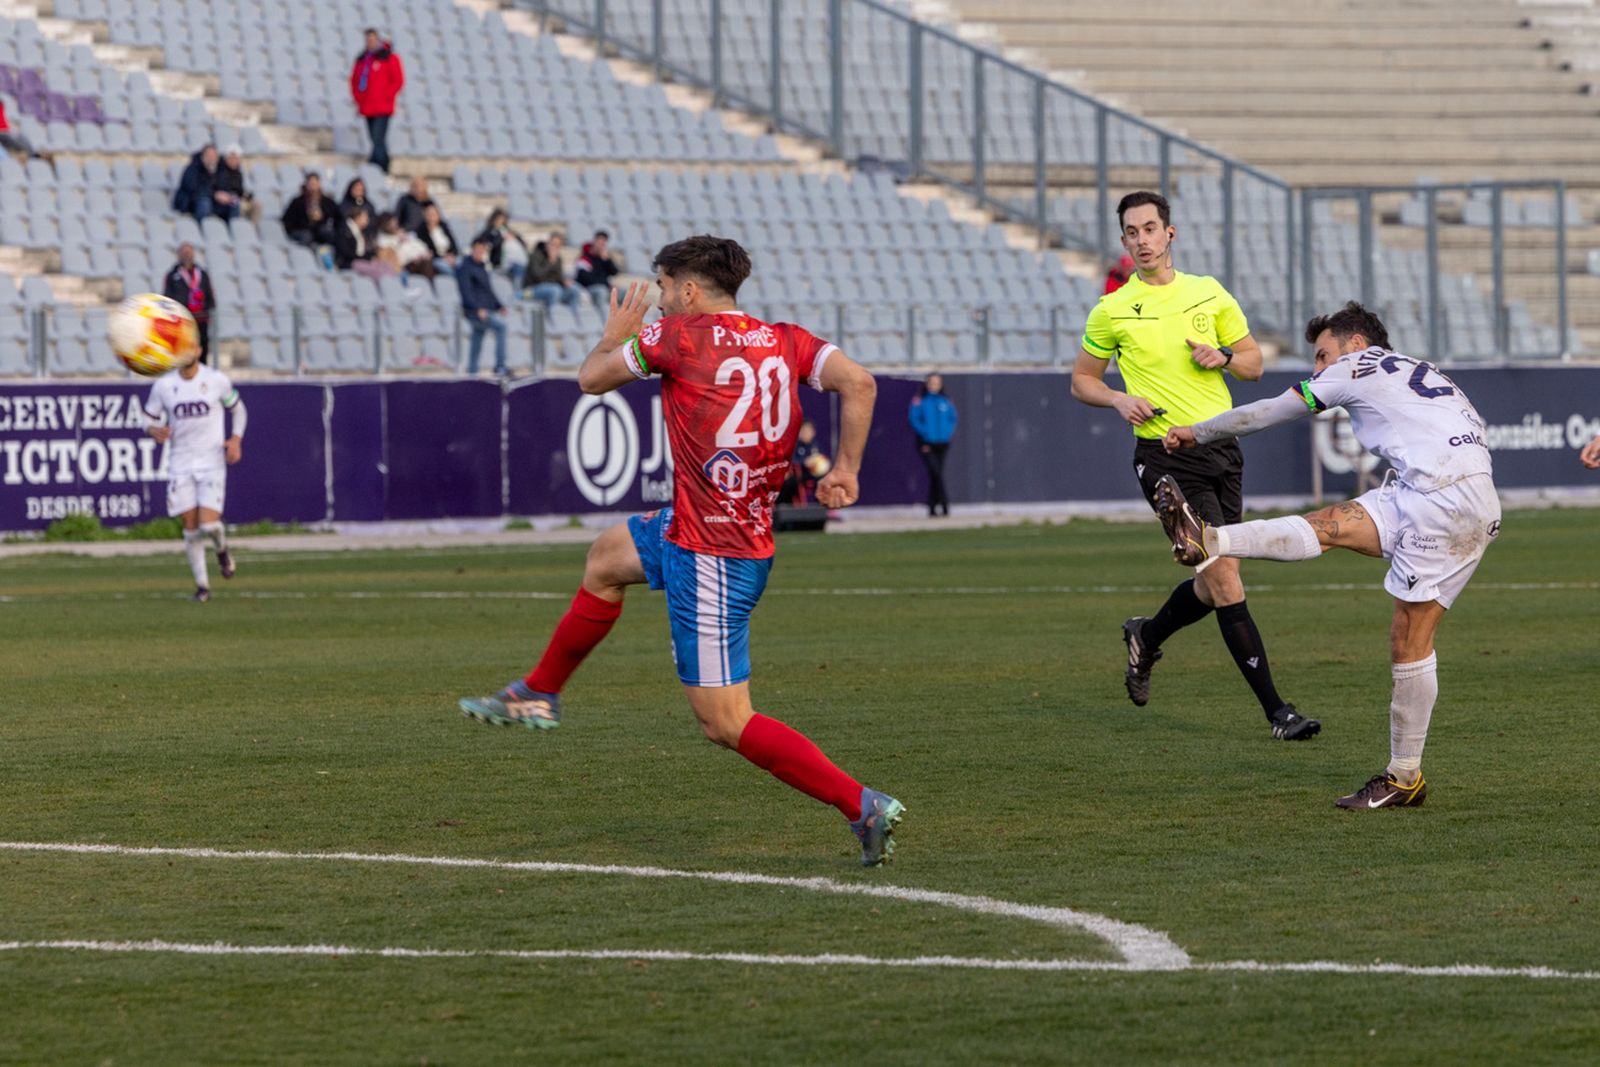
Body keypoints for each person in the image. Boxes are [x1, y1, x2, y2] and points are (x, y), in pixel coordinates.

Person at [458, 236, 904, 867]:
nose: (660, 301)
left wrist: (616, 333)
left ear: (689, 292)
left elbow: (591, 379)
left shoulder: (676, 338)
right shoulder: (787, 340)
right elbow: (860, 384)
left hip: (716, 556)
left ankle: (862, 805)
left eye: (663, 288)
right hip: (699, 529)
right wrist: (847, 470)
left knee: (725, 722)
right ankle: (538, 692)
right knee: (607, 558)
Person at [1159, 301, 1500, 809]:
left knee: (1409, 637)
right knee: (1331, 525)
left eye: (1322, 355)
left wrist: (1198, 431)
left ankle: (1404, 777)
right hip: (1429, 489)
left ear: (1355, 344)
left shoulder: (1354, 367)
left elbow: (1270, 411)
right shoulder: (1418, 368)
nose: (1319, 369)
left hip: (1445, 500)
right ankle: (1210, 540)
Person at [1071, 190, 1312, 741]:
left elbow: (1252, 365)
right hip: (1163, 454)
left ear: (1170, 233)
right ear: (1124, 241)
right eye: (1131, 232)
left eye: (1150, 229)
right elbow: (1082, 380)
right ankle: (1279, 713)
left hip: (1221, 450)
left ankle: (1146, 636)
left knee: (1213, 582)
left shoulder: (1209, 294)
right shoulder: (1112, 310)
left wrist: (1224, 357)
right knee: (1223, 576)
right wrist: (1117, 399)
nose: (1142, 240)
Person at [143, 349, 246, 602]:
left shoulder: (216, 380)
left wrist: (235, 439)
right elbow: (146, 418)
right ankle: (203, 587)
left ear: (199, 351)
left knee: (208, 524)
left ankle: (221, 549)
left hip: (211, 460)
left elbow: (239, 409)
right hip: (180, 462)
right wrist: (152, 430)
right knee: (190, 527)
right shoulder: (164, 386)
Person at [350, 28, 404, 173]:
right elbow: (355, 81)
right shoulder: (363, 60)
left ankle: (378, 165)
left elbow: (398, 80)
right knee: (374, 138)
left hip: (383, 106)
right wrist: (359, 98)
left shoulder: (389, 58)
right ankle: (380, 163)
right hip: (368, 106)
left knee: (378, 137)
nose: (370, 42)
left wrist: (387, 95)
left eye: (373, 39)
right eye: (368, 40)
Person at [456, 236, 508, 375]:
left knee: (477, 339)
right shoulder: (465, 268)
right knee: (501, 327)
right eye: (478, 249)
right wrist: (476, 309)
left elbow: (488, 290)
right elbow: (466, 292)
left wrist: (499, 306)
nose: (480, 252)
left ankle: (472, 372)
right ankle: (500, 367)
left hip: (486, 309)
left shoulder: (482, 267)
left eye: (483, 250)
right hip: (476, 311)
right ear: (473, 249)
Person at [908, 372, 957, 517]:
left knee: (937, 475)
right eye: (932, 383)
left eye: (937, 383)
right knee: (936, 473)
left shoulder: (946, 400)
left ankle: (932, 507)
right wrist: (925, 434)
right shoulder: (920, 400)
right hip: (926, 443)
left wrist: (946, 434)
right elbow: (914, 419)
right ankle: (944, 503)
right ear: (927, 384)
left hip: (942, 443)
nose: (934, 386)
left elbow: (952, 419)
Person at [161, 243, 216, 365]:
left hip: (200, 319)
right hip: (181, 321)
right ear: (179, 255)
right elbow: (167, 297)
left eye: (189, 253)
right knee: (182, 350)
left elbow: (209, 293)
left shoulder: (202, 273)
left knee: (201, 348)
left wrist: (208, 308)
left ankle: (202, 371)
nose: (187, 255)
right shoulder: (172, 275)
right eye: (184, 253)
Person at [281, 172, 340, 249]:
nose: (313, 186)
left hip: (320, 229)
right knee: (307, 236)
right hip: (302, 230)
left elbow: (338, 216)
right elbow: (287, 219)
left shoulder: (327, 201)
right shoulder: (297, 201)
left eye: (315, 183)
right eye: (311, 183)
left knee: (330, 235)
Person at [474, 208, 529, 290]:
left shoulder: (509, 231)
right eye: (498, 219)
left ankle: (520, 293)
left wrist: (514, 237)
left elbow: (523, 244)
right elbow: (480, 243)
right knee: (518, 269)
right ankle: (517, 294)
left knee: (524, 268)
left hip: (516, 261)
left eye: (503, 219)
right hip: (500, 264)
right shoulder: (489, 232)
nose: (500, 222)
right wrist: (501, 238)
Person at [525, 231, 582, 310]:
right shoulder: (536, 255)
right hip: (533, 288)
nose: (553, 247)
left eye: (557, 246)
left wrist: (564, 282)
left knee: (575, 289)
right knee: (555, 290)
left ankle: (573, 316)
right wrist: (550, 262)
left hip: (553, 286)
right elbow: (537, 275)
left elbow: (557, 277)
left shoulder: (558, 259)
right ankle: (553, 318)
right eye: (552, 244)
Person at [375, 210, 437, 281]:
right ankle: (430, 287)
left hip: (421, 259)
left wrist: (424, 254)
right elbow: (395, 258)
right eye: (392, 223)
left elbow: (420, 245)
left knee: (434, 264)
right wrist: (399, 240)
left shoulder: (405, 234)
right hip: (407, 265)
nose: (395, 225)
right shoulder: (383, 240)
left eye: (395, 222)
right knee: (427, 264)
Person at [171, 144, 226, 222]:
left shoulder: (220, 169)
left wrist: (227, 196)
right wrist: (214, 194)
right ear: (203, 156)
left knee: (233, 203)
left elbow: (224, 185)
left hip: (212, 200)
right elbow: (193, 189)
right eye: (209, 155)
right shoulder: (192, 169)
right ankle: (200, 227)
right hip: (190, 202)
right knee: (205, 203)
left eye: (214, 156)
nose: (212, 158)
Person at [335, 205, 390, 278]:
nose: (367, 220)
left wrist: (371, 256)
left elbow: (363, 251)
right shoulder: (344, 230)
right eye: (365, 217)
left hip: (361, 259)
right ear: (357, 218)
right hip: (349, 262)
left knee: (386, 268)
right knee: (378, 272)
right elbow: (346, 252)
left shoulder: (360, 231)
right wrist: (366, 257)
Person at [575, 230, 621, 308]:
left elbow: (614, 272)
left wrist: (607, 260)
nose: (601, 245)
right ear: (594, 241)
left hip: (604, 286)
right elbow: (585, 279)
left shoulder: (604, 258)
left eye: (604, 243)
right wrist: (607, 285)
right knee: (601, 291)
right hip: (588, 288)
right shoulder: (584, 259)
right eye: (599, 242)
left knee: (625, 293)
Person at [215, 145, 259, 225]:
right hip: (226, 199)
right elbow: (219, 188)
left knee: (257, 205)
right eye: (232, 158)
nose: (234, 161)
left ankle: (251, 229)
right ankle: (234, 228)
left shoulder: (238, 174)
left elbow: (239, 190)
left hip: (237, 198)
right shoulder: (220, 171)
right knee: (235, 202)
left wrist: (246, 195)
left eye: (236, 158)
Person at [0, 99, 53, 163]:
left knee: (22, 136)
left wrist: (11, 129)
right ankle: (20, 154)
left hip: (5, 130)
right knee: (8, 137)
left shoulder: (1, 107)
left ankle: (32, 155)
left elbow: (4, 122)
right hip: (2, 133)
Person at [415, 202, 459, 275]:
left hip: (450, 257)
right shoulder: (421, 231)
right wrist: (444, 258)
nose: (432, 216)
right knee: (446, 268)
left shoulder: (444, 227)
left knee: (464, 264)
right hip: (436, 260)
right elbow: (427, 250)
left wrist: (452, 256)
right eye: (429, 214)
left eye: (434, 214)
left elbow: (454, 245)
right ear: (425, 215)